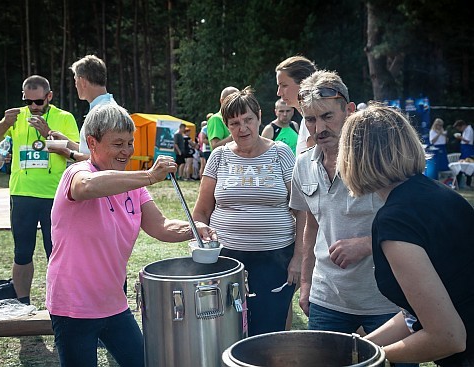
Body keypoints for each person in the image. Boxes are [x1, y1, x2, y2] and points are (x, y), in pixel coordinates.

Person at [46, 103, 216, 367]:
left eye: (129, 142)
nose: (126, 151)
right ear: (92, 142)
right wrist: (148, 175)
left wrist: (195, 229)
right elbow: (86, 187)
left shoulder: (133, 187)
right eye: (117, 144)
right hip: (73, 305)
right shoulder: (77, 173)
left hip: (113, 303)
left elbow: (160, 226)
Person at [338, 104, 474, 366]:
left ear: (353, 157)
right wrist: (360, 347)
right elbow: (421, 311)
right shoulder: (438, 194)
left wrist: (368, 360)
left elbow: (448, 337)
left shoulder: (395, 221)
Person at [290, 71, 406, 350]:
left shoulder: (381, 162)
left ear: (350, 111)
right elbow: (311, 227)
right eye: (310, 119)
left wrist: (368, 244)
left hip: (386, 298)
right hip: (327, 298)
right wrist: (306, 284)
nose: (319, 128)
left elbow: (411, 222)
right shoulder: (303, 165)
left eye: (327, 116)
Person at [193, 87, 301, 336]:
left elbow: (302, 211)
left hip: (276, 258)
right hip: (227, 259)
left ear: (259, 116)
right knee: (228, 330)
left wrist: (299, 257)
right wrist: (201, 236)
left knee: (269, 331)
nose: (242, 128)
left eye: (248, 120)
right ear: (227, 126)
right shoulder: (218, 157)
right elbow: (201, 212)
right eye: (234, 123)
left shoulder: (280, 153)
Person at [0, 75, 79, 305]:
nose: (33, 107)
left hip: (54, 195)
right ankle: (22, 303)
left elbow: (76, 152)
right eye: (28, 101)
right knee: (22, 253)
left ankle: (60, 304)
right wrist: (4, 123)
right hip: (22, 194)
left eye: (38, 102)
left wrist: (47, 132)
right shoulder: (17, 117)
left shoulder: (64, 117)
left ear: (49, 96)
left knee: (56, 255)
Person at [49, 55, 117, 162]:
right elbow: (89, 151)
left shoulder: (103, 111)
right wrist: (66, 142)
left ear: (82, 81)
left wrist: (69, 154)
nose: (75, 85)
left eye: (75, 80)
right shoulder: (103, 107)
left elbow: (103, 159)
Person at [276, 55, 318, 155]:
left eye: (284, 85)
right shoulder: (306, 119)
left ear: (304, 83)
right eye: (279, 86)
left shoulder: (314, 120)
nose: (279, 92)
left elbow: (313, 167)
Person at [453, 119, 474, 188]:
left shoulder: (469, 130)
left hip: (468, 150)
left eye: (459, 128)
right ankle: (459, 183)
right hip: (464, 150)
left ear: (462, 126)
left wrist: (460, 137)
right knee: (461, 166)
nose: (459, 130)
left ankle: (466, 183)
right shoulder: (466, 130)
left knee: (466, 166)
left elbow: (467, 141)